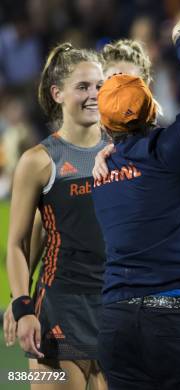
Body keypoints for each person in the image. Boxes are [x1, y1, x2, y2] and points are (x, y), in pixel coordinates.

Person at [91, 13, 180, 389]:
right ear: (152, 108)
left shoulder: (101, 174)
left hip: (117, 327)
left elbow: (154, 230)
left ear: (105, 126)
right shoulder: (168, 151)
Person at [6, 43, 108, 389]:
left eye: (99, 86)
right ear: (58, 93)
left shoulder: (124, 152)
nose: (94, 94)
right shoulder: (38, 161)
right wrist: (22, 307)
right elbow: (18, 244)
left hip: (118, 306)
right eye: (83, 86)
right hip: (61, 305)